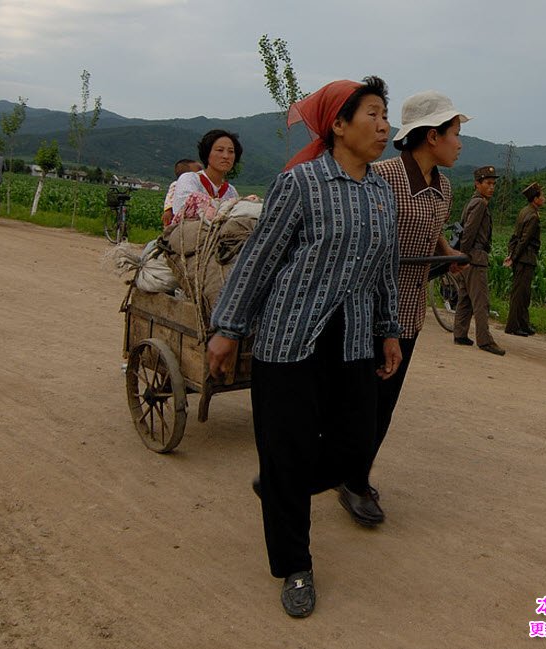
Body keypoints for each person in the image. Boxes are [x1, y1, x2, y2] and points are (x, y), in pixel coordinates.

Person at [206, 77, 402, 618]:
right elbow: (260, 259)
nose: (385, 125)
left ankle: (279, 485)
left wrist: (388, 328)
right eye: (372, 114)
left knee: (354, 443)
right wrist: (228, 328)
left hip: (354, 338)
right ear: (338, 125)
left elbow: (383, 270)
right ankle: (294, 566)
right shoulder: (301, 182)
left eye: (386, 115)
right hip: (290, 338)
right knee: (288, 449)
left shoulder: (381, 192)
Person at [339, 90, 469, 526]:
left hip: (410, 310)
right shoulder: (382, 177)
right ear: (432, 136)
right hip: (371, 309)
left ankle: (353, 474)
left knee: (385, 402)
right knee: (365, 401)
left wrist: (449, 256)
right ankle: (353, 482)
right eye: (455, 133)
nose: (460, 143)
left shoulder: (443, 187)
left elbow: (432, 233)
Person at [453, 166, 506, 356]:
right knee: (481, 301)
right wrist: (464, 256)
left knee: (465, 298)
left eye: (494, 184)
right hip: (474, 258)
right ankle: (485, 340)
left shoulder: (472, 202)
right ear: (478, 184)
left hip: (468, 257)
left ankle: (460, 334)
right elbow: (469, 233)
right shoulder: (480, 204)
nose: (492, 187)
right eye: (488, 183)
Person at [171, 129, 242, 218]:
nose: (226, 156)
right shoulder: (190, 179)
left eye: (231, 151)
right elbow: (183, 208)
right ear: (207, 153)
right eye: (220, 150)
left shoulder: (231, 191)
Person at [504, 182, 544, 336]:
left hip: (521, 257)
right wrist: (513, 258)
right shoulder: (533, 216)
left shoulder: (524, 211)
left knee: (524, 293)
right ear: (535, 199)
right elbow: (524, 240)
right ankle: (513, 326)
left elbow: (514, 237)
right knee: (520, 294)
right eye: (542, 196)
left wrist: (511, 253)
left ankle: (523, 324)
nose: (544, 199)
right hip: (525, 258)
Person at [161, 158, 201, 227]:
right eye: (198, 172)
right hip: (178, 217)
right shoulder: (176, 185)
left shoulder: (199, 186)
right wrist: (168, 210)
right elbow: (170, 198)